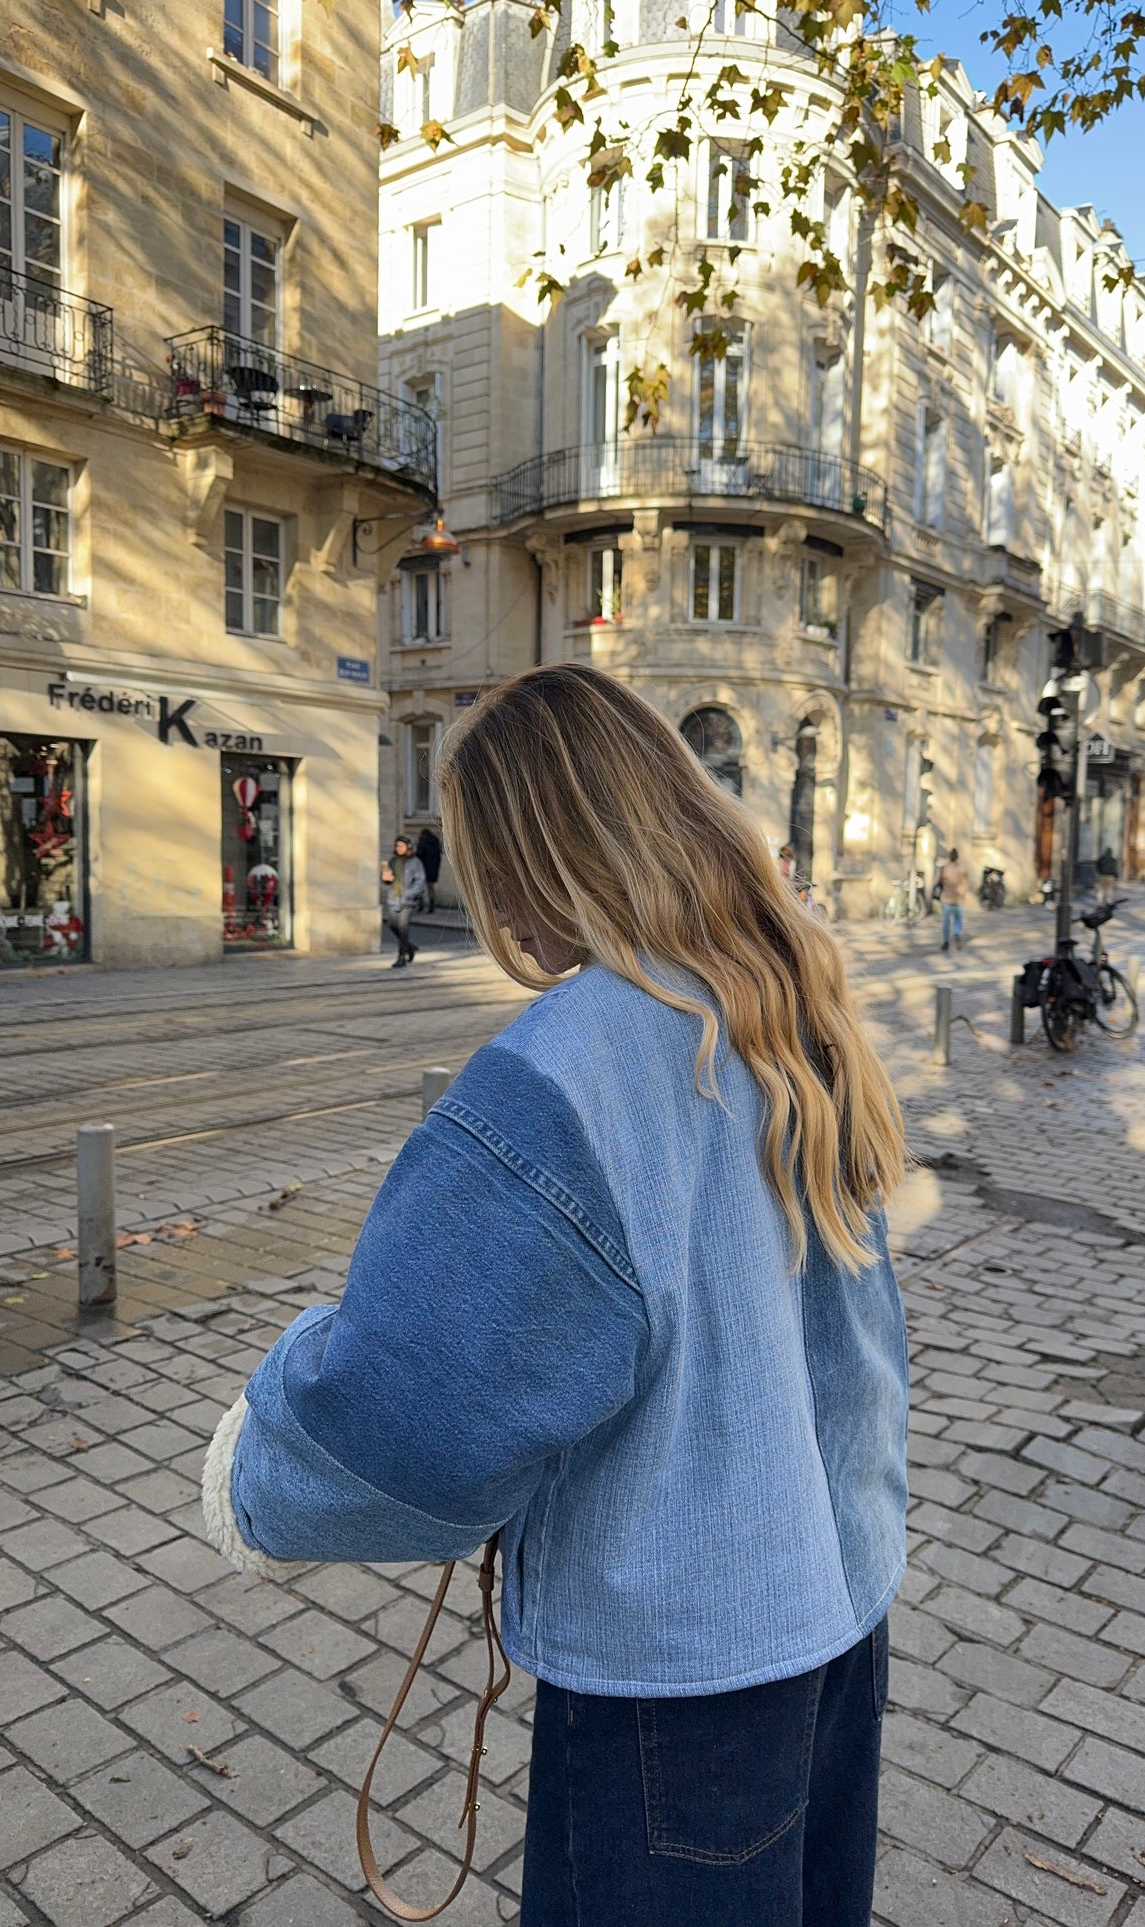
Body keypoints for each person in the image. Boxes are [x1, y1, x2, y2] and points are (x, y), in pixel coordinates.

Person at [203, 663, 910, 1927]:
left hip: (674, 1682)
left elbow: (410, 1416)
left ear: (526, 860)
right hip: (834, 1616)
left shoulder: (575, 1058)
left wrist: (252, 1476)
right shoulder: (782, 1002)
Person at [380, 835, 424, 968]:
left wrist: (408, 894)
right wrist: (386, 879)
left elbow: (420, 881)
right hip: (394, 900)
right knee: (393, 925)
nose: (398, 848)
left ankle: (401, 956)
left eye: (401, 846)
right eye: (397, 846)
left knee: (403, 927)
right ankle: (409, 947)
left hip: (408, 902)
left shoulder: (415, 862)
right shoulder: (393, 861)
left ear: (408, 847)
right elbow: (389, 881)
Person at [936, 846, 970, 951]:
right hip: (959, 899)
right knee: (958, 920)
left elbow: (938, 881)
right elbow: (966, 883)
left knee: (946, 922)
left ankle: (946, 941)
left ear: (949, 857)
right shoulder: (962, 868)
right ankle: (957, 935)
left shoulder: (945, 868)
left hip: (947, 898)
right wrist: (962, 893)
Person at [415, 823, 443, 913]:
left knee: (421, 887)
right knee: (430, 887)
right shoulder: (436, 842)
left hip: (423, 868)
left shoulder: (422, 842)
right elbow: (439, 856)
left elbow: (418, 855)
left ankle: (421, 905)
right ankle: (431, 905)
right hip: (433, 868)